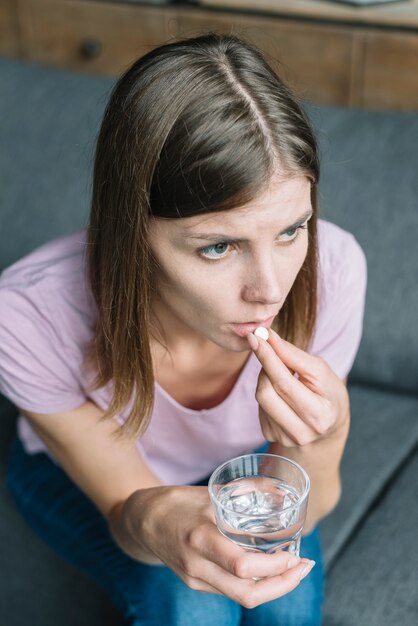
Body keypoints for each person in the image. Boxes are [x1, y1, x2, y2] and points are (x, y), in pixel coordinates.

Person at [0, 33, 367, 626]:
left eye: (291, 230)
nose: (270, 289)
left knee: (286, 606)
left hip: (245, 466)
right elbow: (125, 508)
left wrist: (324, 438)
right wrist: (154, 516)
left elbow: (314, 503)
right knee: (186, 601)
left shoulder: (336, 269)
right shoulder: (25, 317)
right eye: (218, 246)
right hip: (81, 478)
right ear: (132, 231)